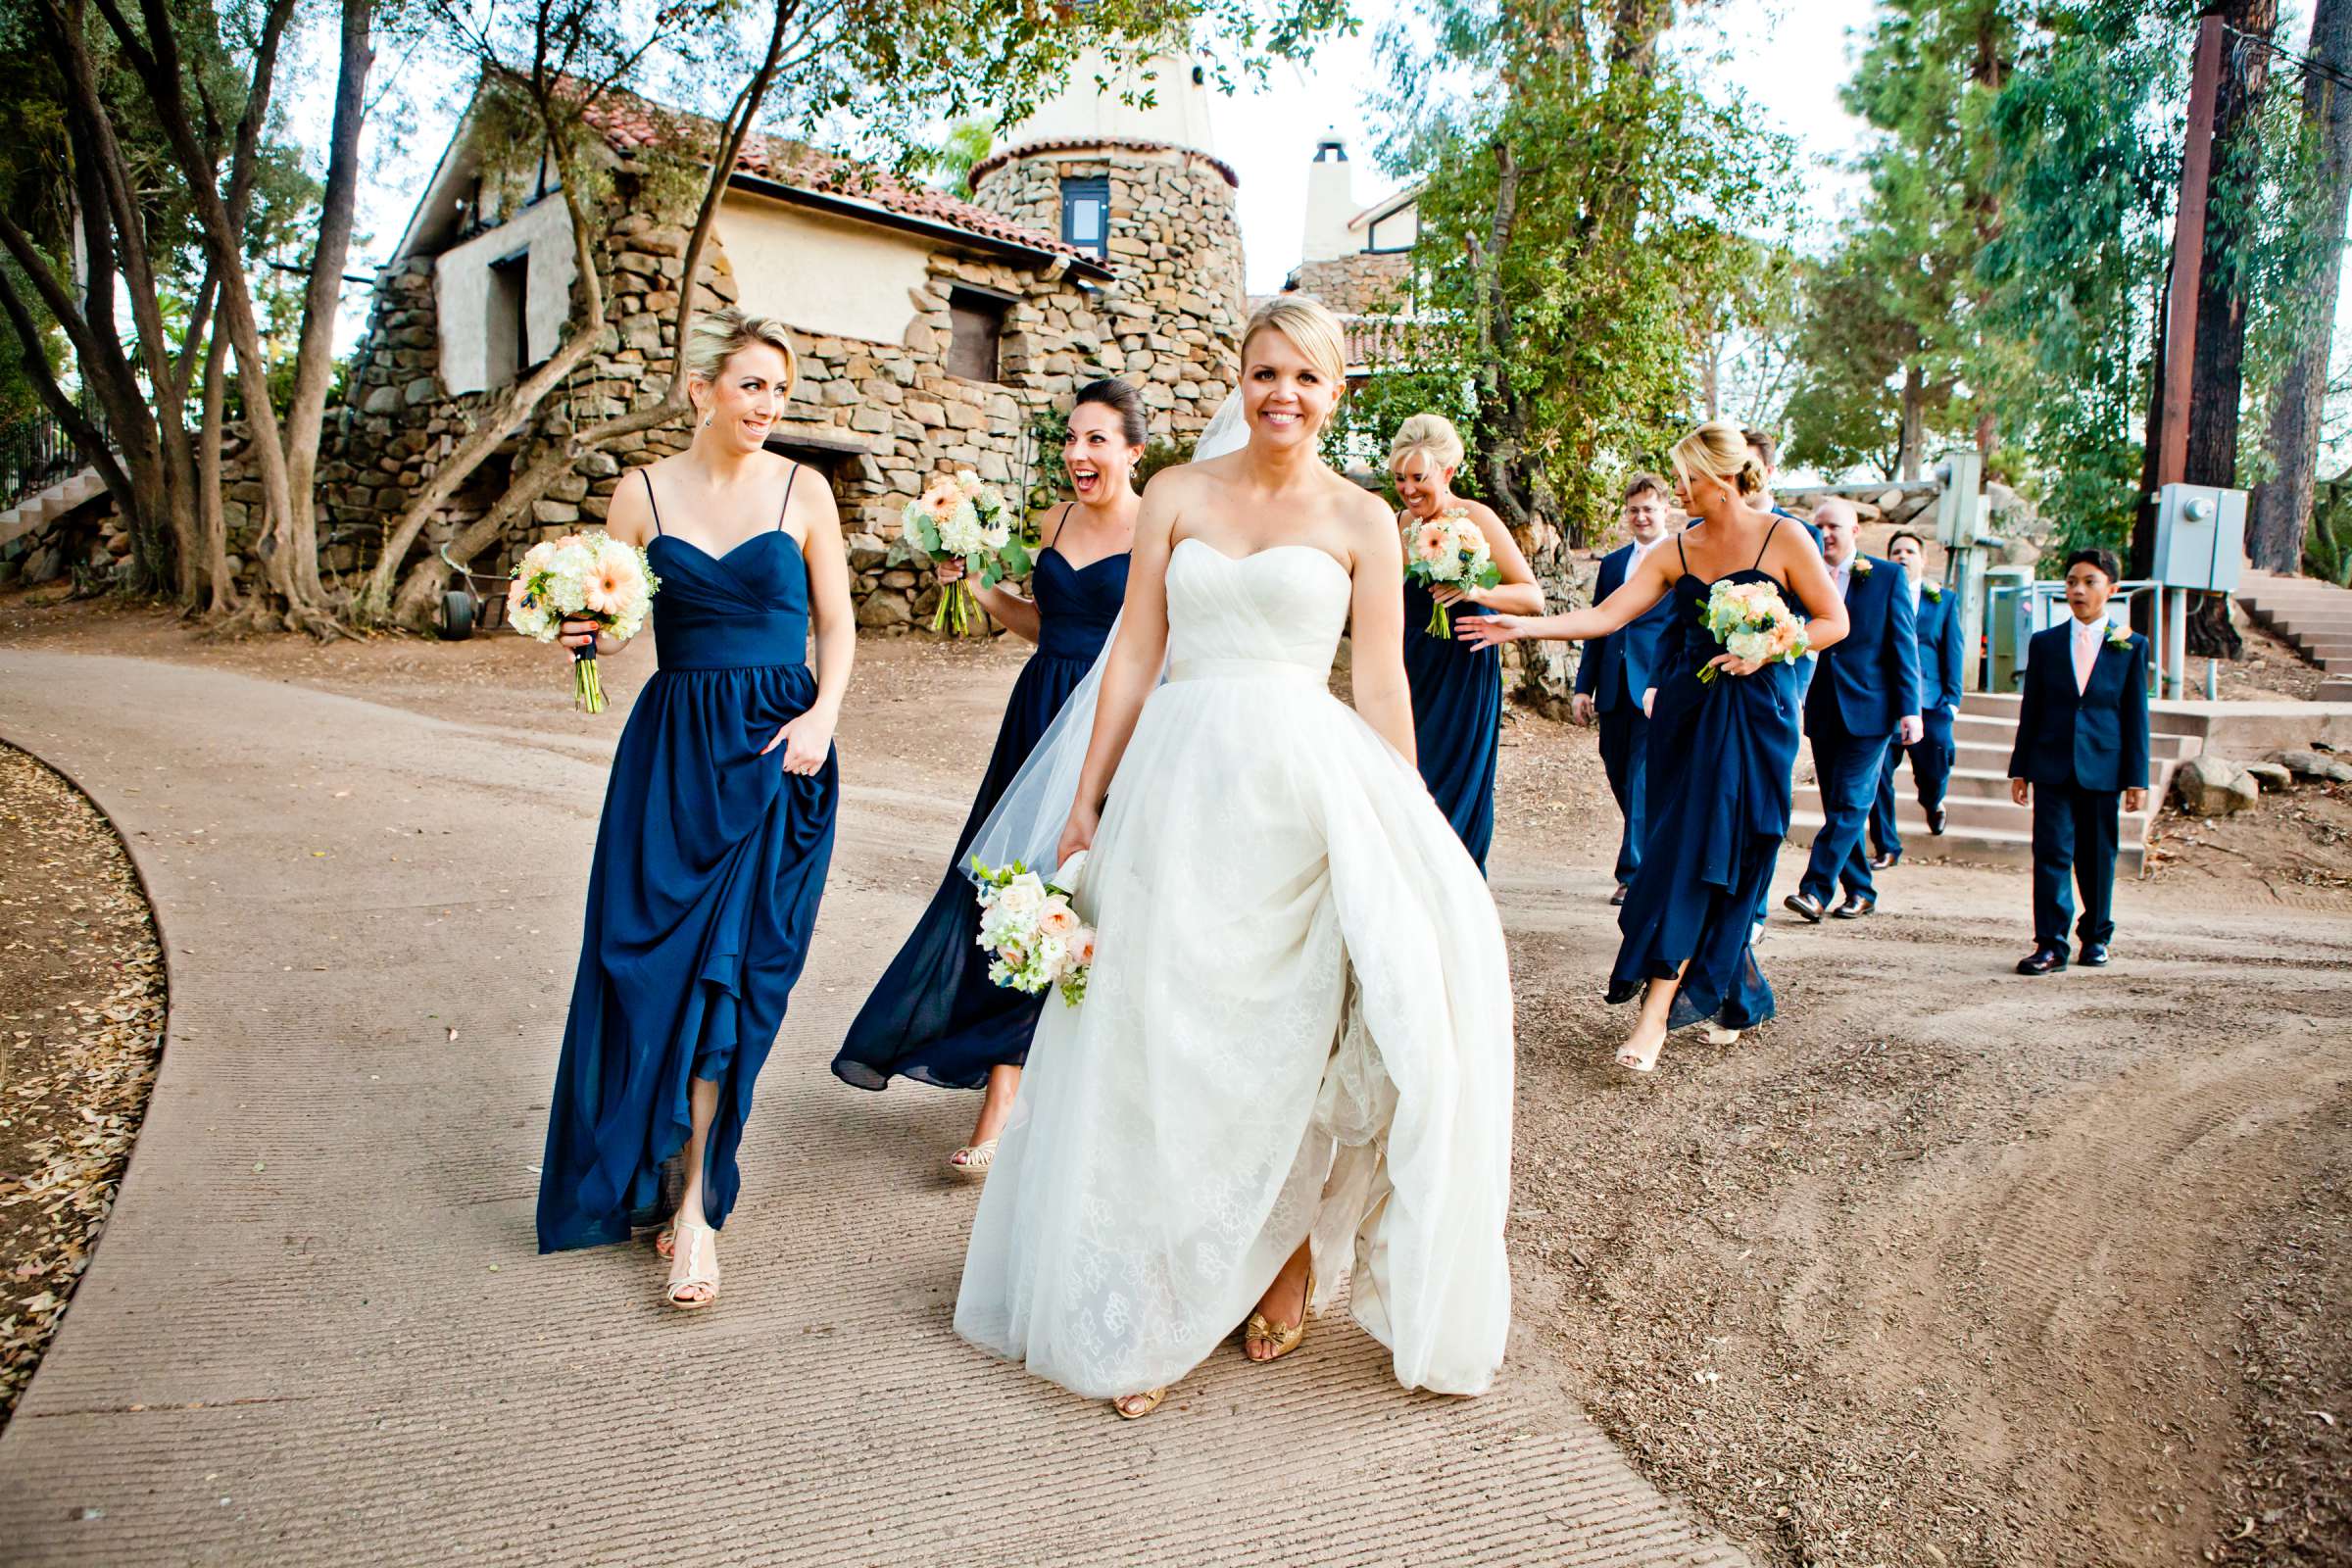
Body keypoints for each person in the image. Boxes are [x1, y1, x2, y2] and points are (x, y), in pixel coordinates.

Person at [954, 296, 1514, 1420]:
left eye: (1306, 378)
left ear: (1335, 392)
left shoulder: (1362, 518)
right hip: (1177, 783)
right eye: (1265, 373)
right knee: (1159, 1030)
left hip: (1299, 792)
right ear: (1240, 378)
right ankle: (1157, 1295)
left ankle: (1287, 1256)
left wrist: (1403, 810)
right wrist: (1085, 799)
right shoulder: (1177, 495)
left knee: (1289, 1028)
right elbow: (1133, 656)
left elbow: (1385, 678)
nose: (1282, 396)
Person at [536, 308, 856, 1311]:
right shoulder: (640, 493)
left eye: (778, 389)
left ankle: (696, 1211)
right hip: (670, 755)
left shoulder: (806, 490)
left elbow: (839, 626)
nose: (767, 405)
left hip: (774, 752)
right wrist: (580, 631)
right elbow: (613, 611)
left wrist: (822, 720)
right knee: (648, 970)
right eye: (751, 384)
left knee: (729, 980)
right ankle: (654, 1171)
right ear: (701, 390)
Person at [1462, 420, 1847, 1072]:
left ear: (1724, 478)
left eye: (1689, 479)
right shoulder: (1678, 549)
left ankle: (1694, 1007)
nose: (1679, 491)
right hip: (1686, 716)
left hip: (1757, 717)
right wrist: (1520, 628)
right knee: (1686, 854)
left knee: (1718, 854)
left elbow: (1834, 621)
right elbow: (1607, 617)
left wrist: (1772, 646)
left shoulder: (1787, 537)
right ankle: (1698, 1006)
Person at [831, 380, 1144, 1178]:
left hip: (1112, 722)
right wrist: (976, 589)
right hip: (1038, 708)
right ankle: (1006, 1086)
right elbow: (1046, 623)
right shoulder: (1055, 522)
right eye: (1072, 438)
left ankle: (1031, 1096)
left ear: (1134, 451)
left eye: (1098, 440)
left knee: (1081, 892)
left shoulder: (1158, 530)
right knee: (1014, 891)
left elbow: (1154, 644)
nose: (1078, 454)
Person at [1388, 414, 1543, 869]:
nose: (1409, 490)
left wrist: (1478, 592)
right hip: (1408, 666)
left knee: (1450, 779)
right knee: (1403, 779)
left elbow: (1531, 597)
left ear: (1448, 472)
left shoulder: (1476, 518)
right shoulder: (1395, 522)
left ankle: (1456, 888)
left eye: (1419, 478)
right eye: (1399, 478)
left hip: (1463, 666)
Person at [2008, 549, 2149, 975]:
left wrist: (2136, 779)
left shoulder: (2130, 645)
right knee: (2050, 852)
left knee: (2097, 856)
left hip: (2103, 768)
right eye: (2071, 581)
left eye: (2089, 581)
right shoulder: (2046, 643)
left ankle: (2096, 936)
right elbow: (2031, 708)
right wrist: (2021, 767)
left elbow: (2135, 716)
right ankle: (2050, 944)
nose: (2078, 590)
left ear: (2112, 589)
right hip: (2051, 763)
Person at [1782, 498, 1920, 923]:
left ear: (1855, 531)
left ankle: (1815, 890)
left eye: (1834, 526)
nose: (1825, 534)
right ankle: (1861, 888)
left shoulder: (1887, 577)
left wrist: (1910, 709)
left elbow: (1903, 647)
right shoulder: (1802, 578)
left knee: (1852, 803)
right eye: (1818, 526)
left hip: (1872, 709)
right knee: (1839, 804)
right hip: (1823, 709)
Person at [1572, 473, 1679, 905]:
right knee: (1618, 770)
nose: (1641, 516)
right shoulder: (1614, 564)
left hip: (1658, 686)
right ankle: (1656, 852)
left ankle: (1633, 873)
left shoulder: (1681, 557)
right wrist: (1584, 686)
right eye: (1634, 509)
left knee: (1639, 777)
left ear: (1665, 510)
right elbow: (1599, 625)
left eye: (1649, 508)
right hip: (1614, 685)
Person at [1869, 529, 1965, 868]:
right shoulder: (1876, 594)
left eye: (1910, 551)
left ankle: (1933, 800)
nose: (1902, 556)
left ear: (1923, 559)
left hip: (1930, 701)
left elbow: (1953, 651)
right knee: (1878, 773)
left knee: (1935, 761)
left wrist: (1952, 701)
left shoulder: (1944, 601)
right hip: (1886, 700)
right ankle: (1887, 846)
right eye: (1896, 551)